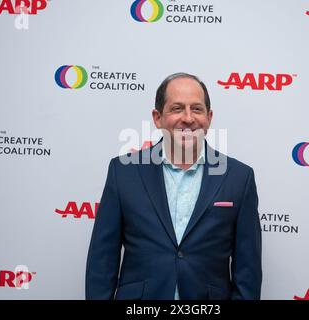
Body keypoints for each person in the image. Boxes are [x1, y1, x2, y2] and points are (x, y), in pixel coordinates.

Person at [85, 73, 262, 300]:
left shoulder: (239, 177)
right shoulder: (123, 172)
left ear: (209, 118)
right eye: (177, 108)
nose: (188, 118)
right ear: (157, 117)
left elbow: (248, 271)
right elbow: (102, 262)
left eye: (196, 109)